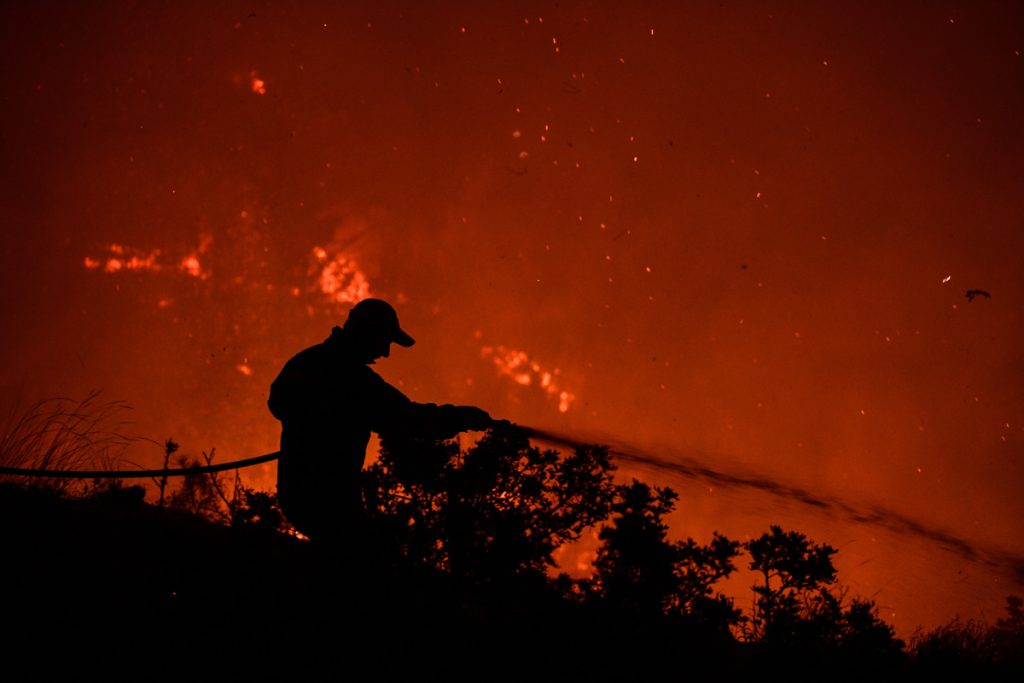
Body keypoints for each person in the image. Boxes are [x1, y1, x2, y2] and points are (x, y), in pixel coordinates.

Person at [268, 298, 492, 547]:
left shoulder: (311, 361)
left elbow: (278, 403)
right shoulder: (352, 379)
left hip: (302, 491)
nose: (386, 352)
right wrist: (461, 417)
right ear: (368, 334)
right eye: (385, 341)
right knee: (371, 559)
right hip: (326, 496)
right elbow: (407, 418)